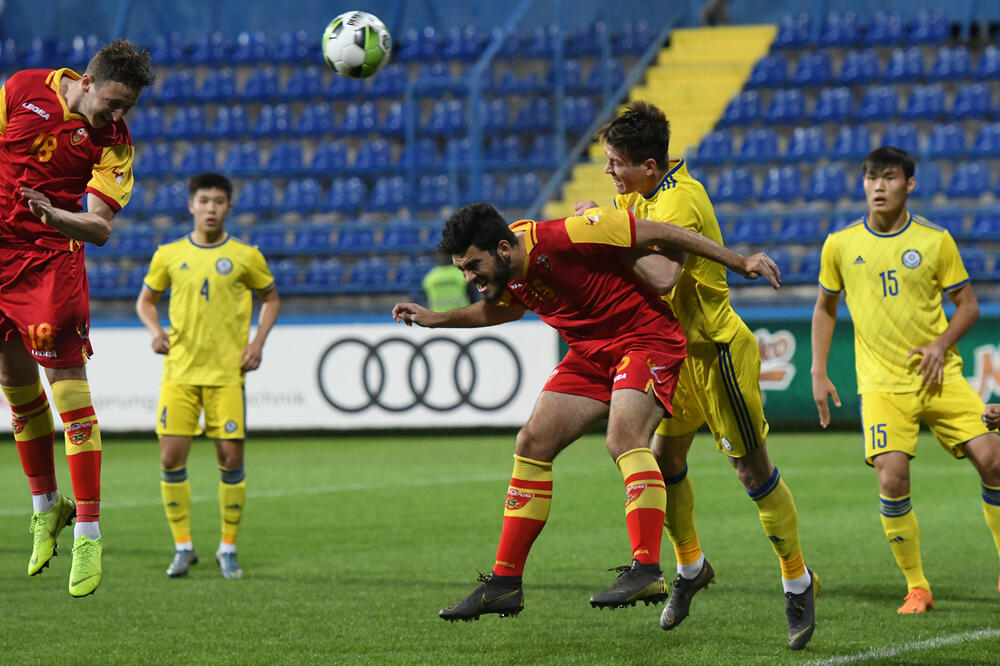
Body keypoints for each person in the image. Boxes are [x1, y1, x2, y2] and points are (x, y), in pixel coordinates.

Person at [392, 201, 781, 625]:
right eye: (464, 269)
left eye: (472, 267)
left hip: (645, 339)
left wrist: (740, 261)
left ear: (504, 248)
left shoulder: (569, 234)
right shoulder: (507, 269)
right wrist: (438, 319)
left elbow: (665, 233)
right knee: (532, 443)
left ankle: (647, 569)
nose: (469, 278)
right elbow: (503, 308)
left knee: (623, 439)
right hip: (591, 353)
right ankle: (504, 584)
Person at [575, 101, 817, 650]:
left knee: (752, 475)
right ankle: (690, 568)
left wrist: (601, 230)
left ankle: (798, 581)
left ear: (651, 165)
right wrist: (606, 222)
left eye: (617, 162)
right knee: (663, 462)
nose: (610, 172)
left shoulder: (682, 199)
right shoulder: (637, 193)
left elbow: (660, 276)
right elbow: (624, 235)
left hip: (716, 353)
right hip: (673, 354)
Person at [811, 146, 1000, 611]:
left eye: (889, 178)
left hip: (940, 376)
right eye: (871, 178)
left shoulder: (936, 241)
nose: (878, 186)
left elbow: (969, 306)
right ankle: (917, 586)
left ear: (909, 184)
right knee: (892, 481)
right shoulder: (840, 243)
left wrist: (939, 345)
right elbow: (825, 307)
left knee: (994, 460)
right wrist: (818, 369)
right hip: (880, 385)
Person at [0, 39, 154, 597]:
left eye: (127, 108)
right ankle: (47, 507)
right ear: (86, 82)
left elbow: (100, 229)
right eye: (113, 102)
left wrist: (52, 212)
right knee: (16, 391)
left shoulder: (114, 143)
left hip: (51, 263)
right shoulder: (20, 90)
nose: (118, 116)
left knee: (70, 400)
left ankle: (89, 530)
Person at [135, 172, 280, 580]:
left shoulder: (247, 256)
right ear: (191, 205)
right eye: (204, 201)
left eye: (218, 201)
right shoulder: (168, 254)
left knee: (230, 459)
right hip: (179, 372)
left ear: (228, 207)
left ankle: (228, 548)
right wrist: (156, 332)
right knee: (169, 457)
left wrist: (258, 343)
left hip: (226, 374)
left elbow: (271, 299)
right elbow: (146, 301)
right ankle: (183, 547)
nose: (211, 208)